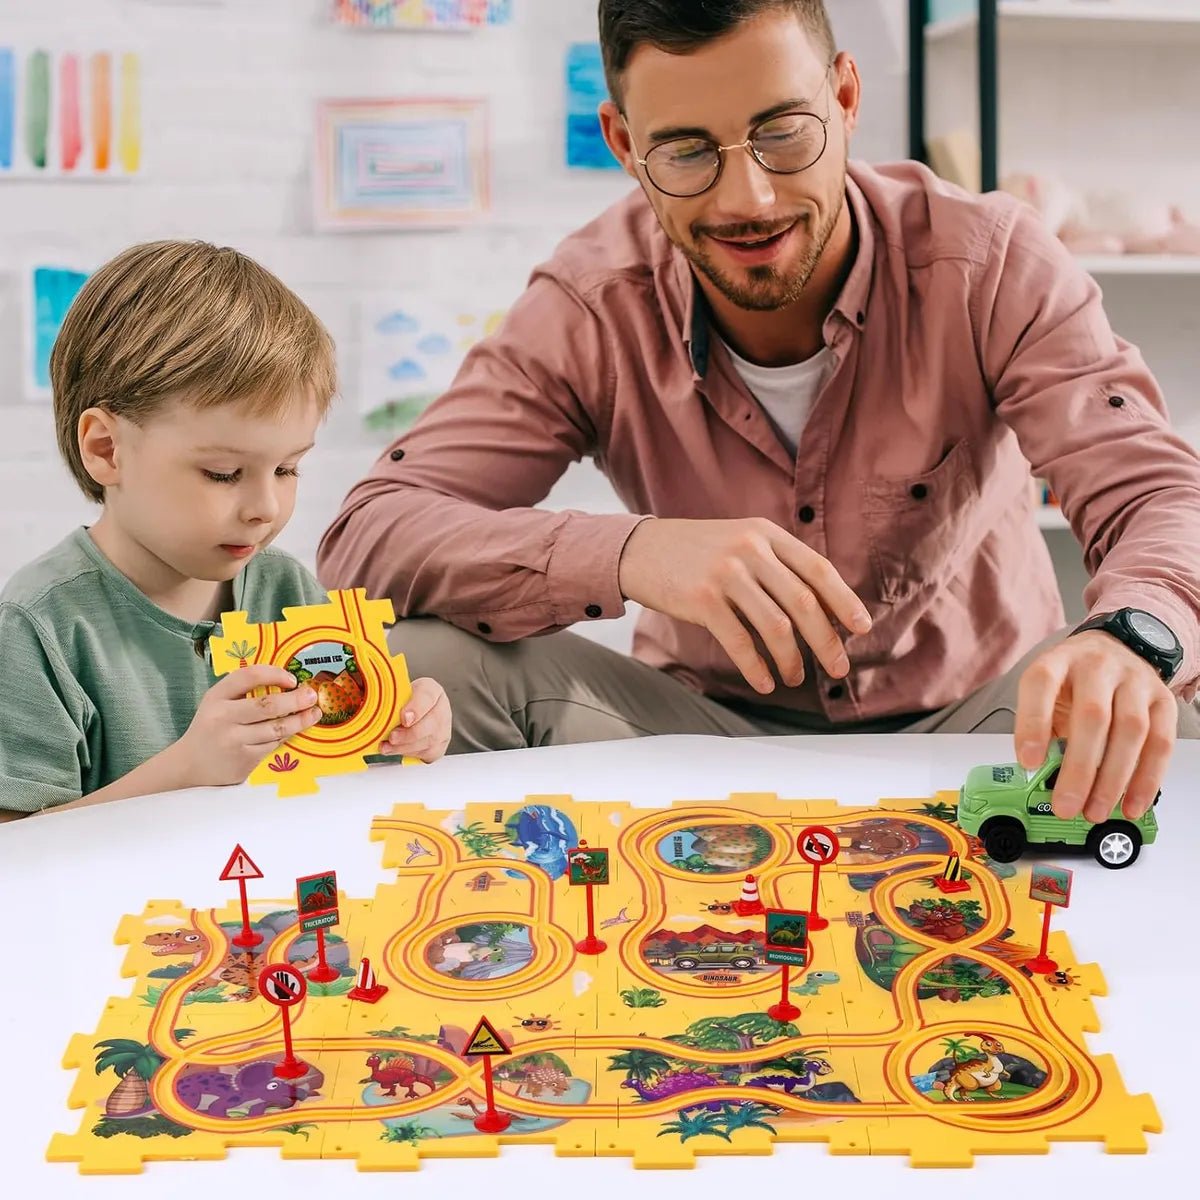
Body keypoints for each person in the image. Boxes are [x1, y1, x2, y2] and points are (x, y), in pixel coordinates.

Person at [316, 0, 1200, 827]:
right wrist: (631, 554)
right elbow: (371, 533)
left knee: (1159, 693)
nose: (750, 200)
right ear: (623, 143)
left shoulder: (990, 261)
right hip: (696, 732)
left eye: (782, 132)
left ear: (845, 99)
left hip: (981, 728)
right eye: (686, 151)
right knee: (419, 661)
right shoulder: (591, 304)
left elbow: (1158, 494)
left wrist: (1132, 638)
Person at [0, 240, 451, 821]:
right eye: (223, 473)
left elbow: (342, 764)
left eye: (287, 469)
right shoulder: (39, 627)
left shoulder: (286, 589)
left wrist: (406, 726)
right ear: (107, 450)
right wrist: (187, 770)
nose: (266, 507)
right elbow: (16, 847)